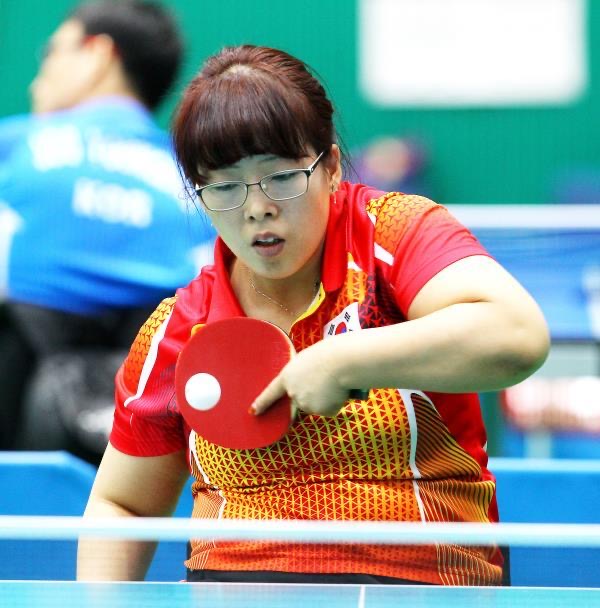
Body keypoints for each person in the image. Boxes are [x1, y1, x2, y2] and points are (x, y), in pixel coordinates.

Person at [77, 45, 550, 585]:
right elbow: (123, 504)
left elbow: (517, 335)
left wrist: (343, 362)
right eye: (225, 187)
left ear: (330, 167)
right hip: (236, 589)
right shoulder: (180, 327)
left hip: (419, 583)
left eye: (281, 177)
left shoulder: (392, 236)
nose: (257, 208)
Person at [0, 0, 215, 459]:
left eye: (50, 53)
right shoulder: (203, 184)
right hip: (159, 443)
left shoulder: (14, 147)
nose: (37, 79)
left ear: (97, 53)